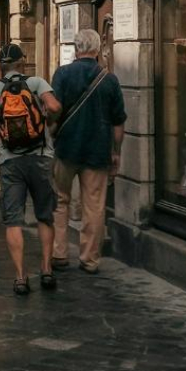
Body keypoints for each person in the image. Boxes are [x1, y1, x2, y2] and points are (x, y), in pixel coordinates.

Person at [0, 44, 62, 295]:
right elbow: (54, 107)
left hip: (10, 161)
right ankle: (46, 270)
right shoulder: (37, 83)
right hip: (41, 156)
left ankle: (21, 277)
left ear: (1, 67)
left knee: (13, 221)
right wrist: (45, 124)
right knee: (45, 215)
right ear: (23, 63)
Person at [50, 29, 127, 274]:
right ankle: (90, 259)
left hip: (66, 148)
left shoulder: (62, 74)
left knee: (59, 201)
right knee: (94, 205)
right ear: (97, 49)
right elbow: (118, 122)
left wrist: (52, 131)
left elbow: (54, 110)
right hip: (97, 150)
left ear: (76, 48)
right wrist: (116, 152)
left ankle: (59, 253)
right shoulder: (109, 79)